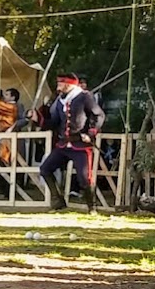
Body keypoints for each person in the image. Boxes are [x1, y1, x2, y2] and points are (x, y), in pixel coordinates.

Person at [28, 73, 106, 214]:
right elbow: (54, 123)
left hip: (80, 145)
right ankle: (58, 202)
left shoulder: (84, 97)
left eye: (60, 83)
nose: (58, 86)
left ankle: (92, 208)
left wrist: (90, 133)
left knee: (84, 178)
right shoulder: (60, 101)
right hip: (63, 145)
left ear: (68, 84)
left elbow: (99, 115)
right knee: (45, 169)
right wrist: (37, 119)